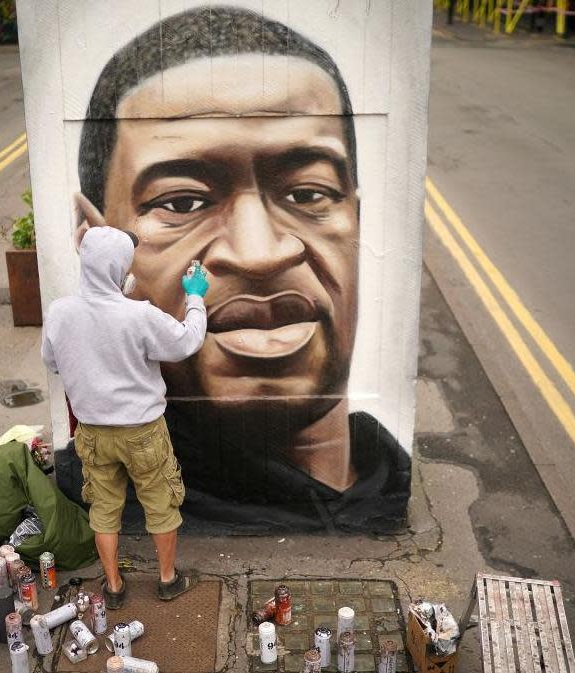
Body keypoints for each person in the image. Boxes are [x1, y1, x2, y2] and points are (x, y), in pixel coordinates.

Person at [57, 5, 411, 533]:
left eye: (309, 193)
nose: (259, 254)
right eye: (180, 203)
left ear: (357, 218)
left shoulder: (392, 484)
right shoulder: (102, 495)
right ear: (92, 237)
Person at [41, 225, 210, 608]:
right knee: (160, 503)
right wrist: (195, 297)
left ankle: (114, 587)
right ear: (119, 270)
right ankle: (168, 580)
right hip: (143, 431)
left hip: (93, 433)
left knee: (103, 508)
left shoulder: (60, 312)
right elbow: (186, 341)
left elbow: (52, 362)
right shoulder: (139, 316)